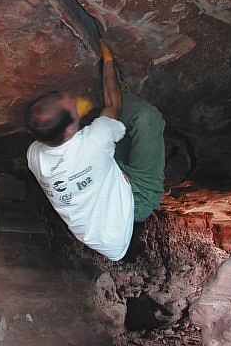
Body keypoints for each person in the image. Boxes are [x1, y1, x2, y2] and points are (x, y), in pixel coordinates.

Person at [26, 40, 165, 261]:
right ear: (72, 127)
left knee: (109, 139)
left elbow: (63, 133)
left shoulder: (34, 155)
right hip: (134, 203)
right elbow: (113, 105)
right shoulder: (93, 143)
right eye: (73, 106)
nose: (75, 100)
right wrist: (108, 61)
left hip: (96, 221)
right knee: (147, 118)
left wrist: (75, 113)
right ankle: (128, 97)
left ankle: (114, 139)